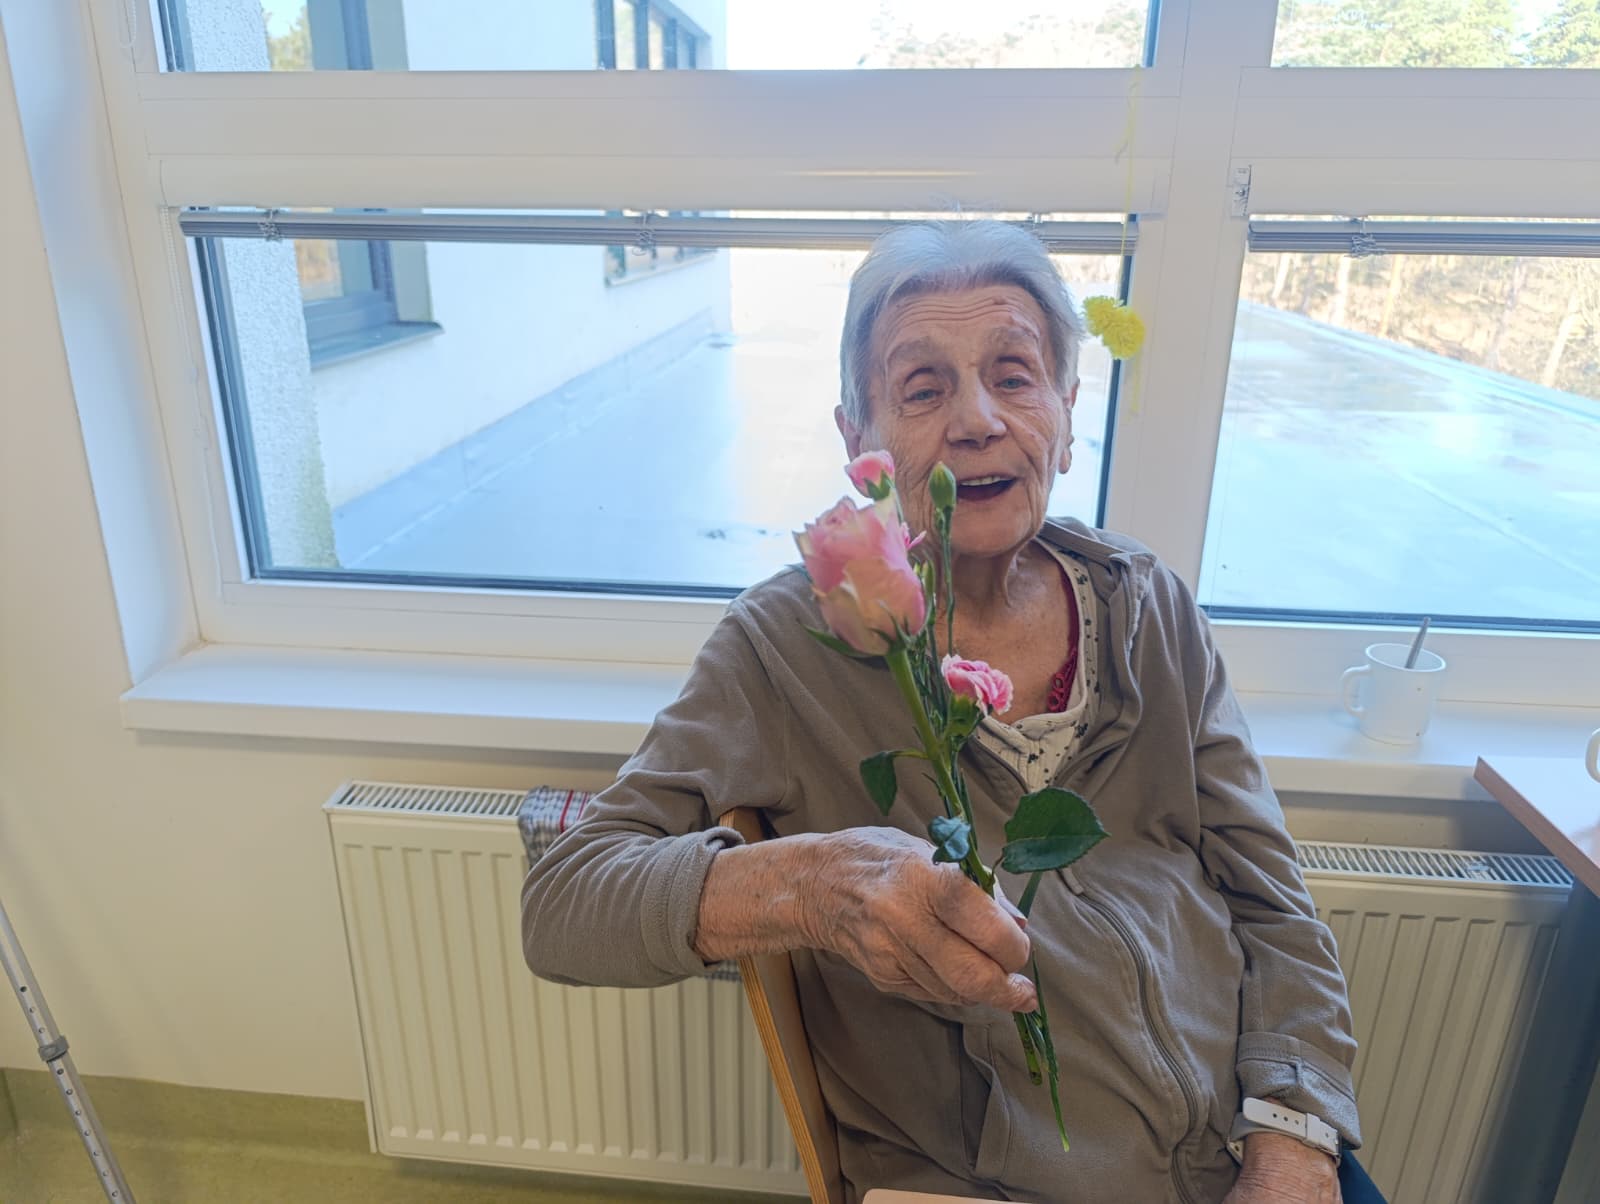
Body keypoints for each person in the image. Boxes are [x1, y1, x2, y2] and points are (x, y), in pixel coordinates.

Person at [524, 220, 1373, 1204]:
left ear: (1066, 412)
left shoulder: (1150, 607)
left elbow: (1272, 899)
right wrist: (808, 884)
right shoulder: (784, 644)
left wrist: (1293, 1137)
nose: (977, 419)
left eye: (1014, 375)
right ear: (859, 440)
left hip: (1252, 1147)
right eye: (923, 388)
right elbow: (564, 906)